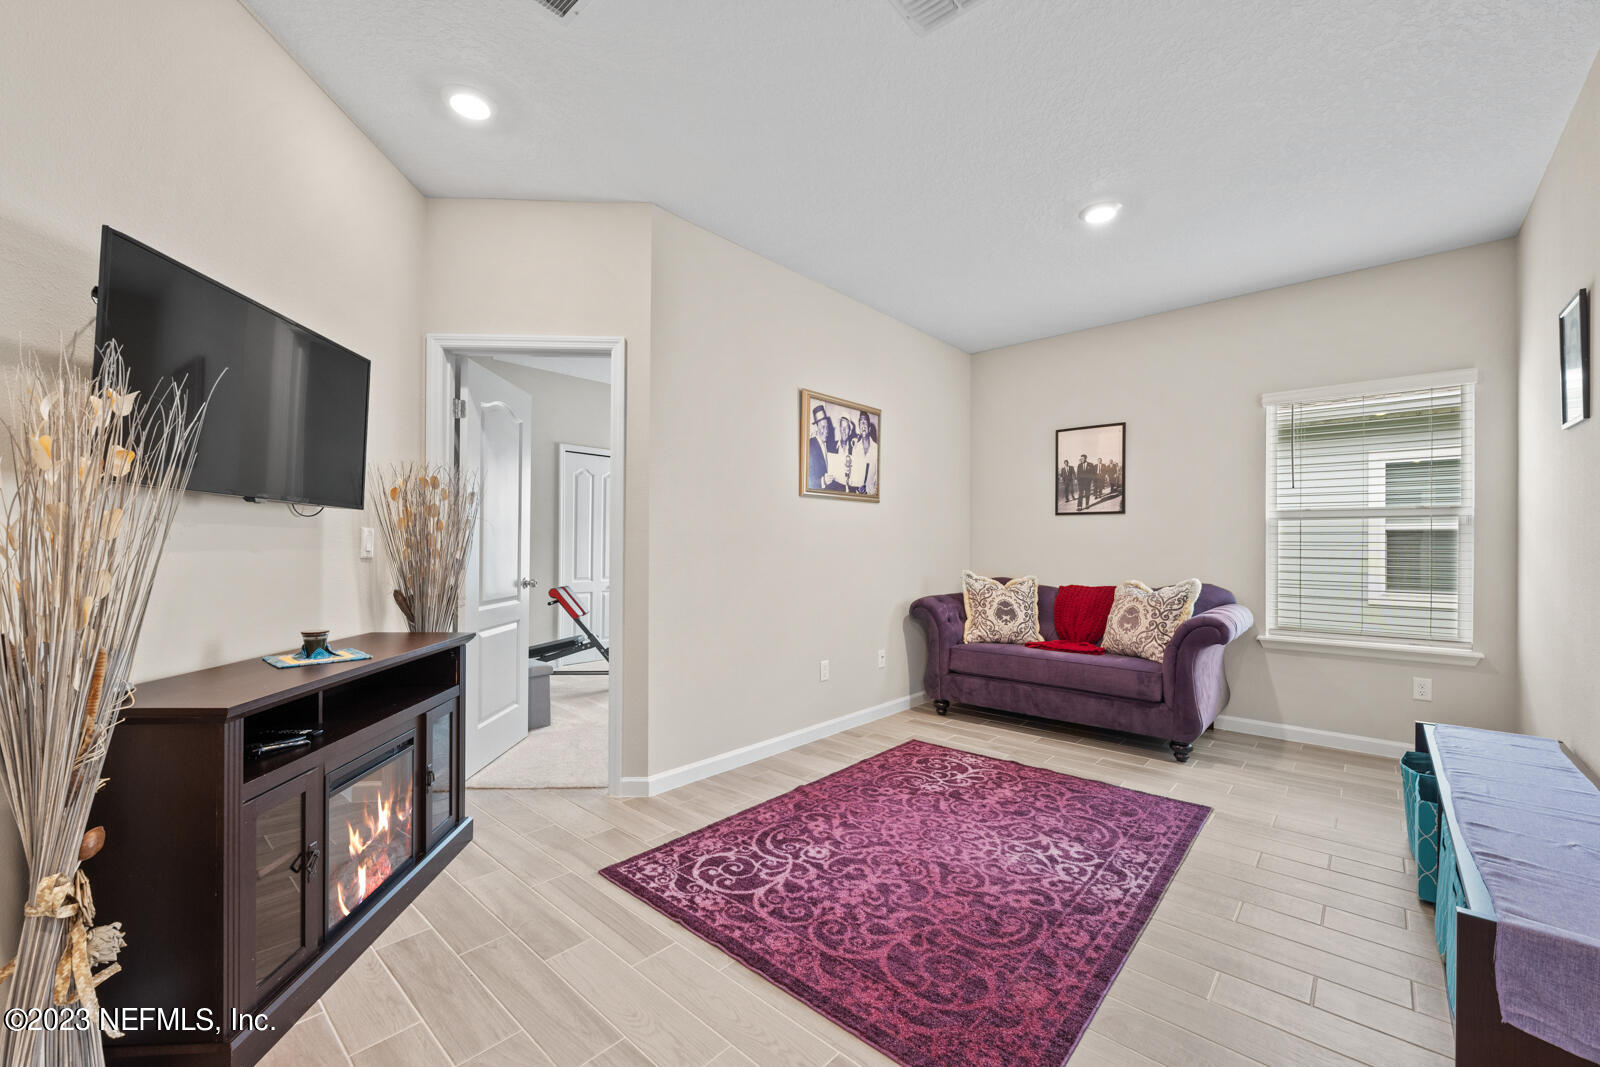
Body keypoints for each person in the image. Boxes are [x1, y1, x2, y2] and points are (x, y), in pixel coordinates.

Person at [807, 404, 837, 490]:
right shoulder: (810, 446)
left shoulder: (830, 445)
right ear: (816, 426)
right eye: (823, 427)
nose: (826, 431)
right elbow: (807, 480)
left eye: (827, 427)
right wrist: (822, 481)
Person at [848, 413, 876, 494]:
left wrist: (868, 491)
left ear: (869, 428)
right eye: (861, 422)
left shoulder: (876, 449)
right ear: (859, 429)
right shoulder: (855, 449)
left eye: (865, 422)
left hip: (872, 497)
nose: (863, 424)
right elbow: (853, 476)